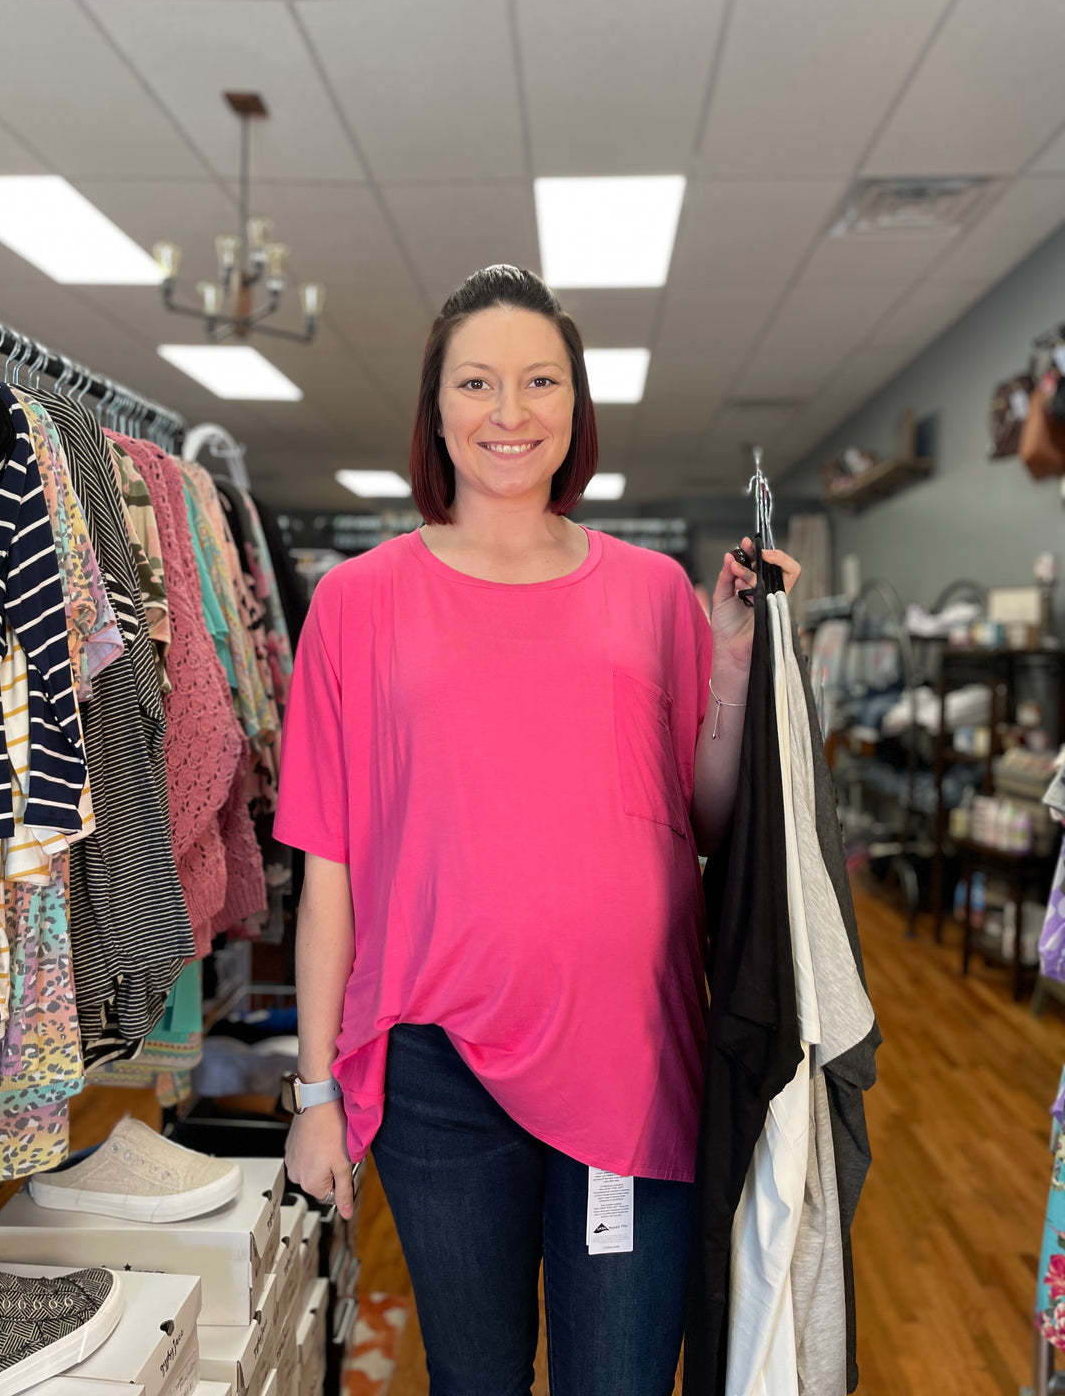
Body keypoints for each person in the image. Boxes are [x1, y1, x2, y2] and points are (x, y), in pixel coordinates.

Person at [275, 265, 800, 1396]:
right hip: (436, 1071)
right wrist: (315, 1095)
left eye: (539, 382)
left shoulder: (654, 593)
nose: (509, 413)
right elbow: (330, 873)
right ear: (437, 410)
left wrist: (741, 660)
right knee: (475, 1378)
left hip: (631, 1053)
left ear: (576, 408)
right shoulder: (357, 604)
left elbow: (704, 820)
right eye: (477, 382)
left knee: (618, 1377)